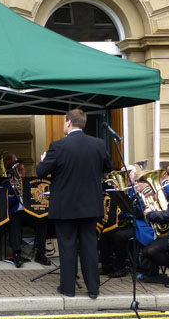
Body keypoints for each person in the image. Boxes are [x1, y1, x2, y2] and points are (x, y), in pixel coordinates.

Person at [36, 108, 113, 298]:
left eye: (64, 122)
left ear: (69, 122)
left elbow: (40, 172)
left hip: (65, 207)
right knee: (89, 247)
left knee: (67, 247)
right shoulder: (98, 144)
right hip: (90, 205)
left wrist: (45, 160)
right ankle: (93, 289)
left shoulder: (58, 146)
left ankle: (68, 289)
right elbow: (108, 167)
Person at [3, 153, 50, 267]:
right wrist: (15, 191)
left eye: (22, 170)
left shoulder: (30, 182)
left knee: (42, 219)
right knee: (15, 219)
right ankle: (17, 254)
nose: (21, 173)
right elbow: (5, 204)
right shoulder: (6, 184)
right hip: (16, 213)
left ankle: (40, 253)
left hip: (29, 212)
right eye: (18, 170)